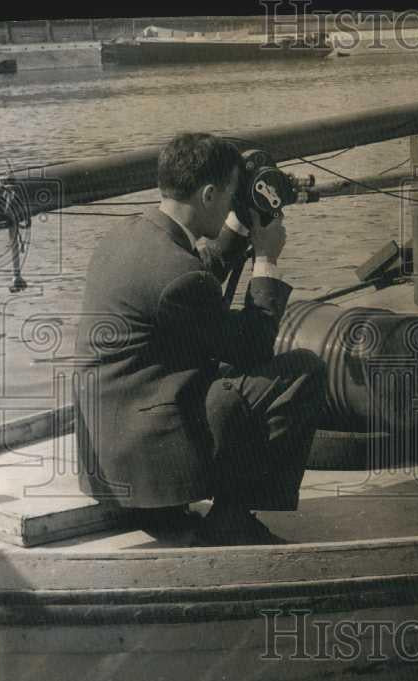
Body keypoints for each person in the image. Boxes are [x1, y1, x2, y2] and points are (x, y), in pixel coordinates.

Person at [74, 132, 325, 545]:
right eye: (231, 194)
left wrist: (240, 223)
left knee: (225, 371)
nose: (232, 201)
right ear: (209, 194)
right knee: (301, 372)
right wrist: (266, 259)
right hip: (147, 463)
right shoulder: (177, 275)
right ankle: (232, 518)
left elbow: (194, 275)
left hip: (110, 443)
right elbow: (253, 346)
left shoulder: (130, 236)